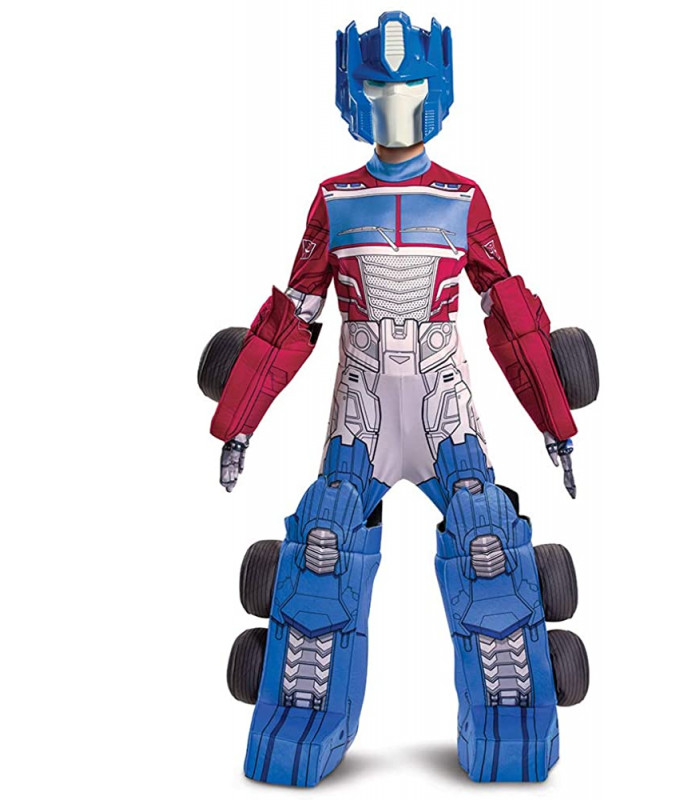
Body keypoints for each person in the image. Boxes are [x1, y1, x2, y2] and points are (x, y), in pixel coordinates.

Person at [201, 11, 594, 786]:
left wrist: (557, 423)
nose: (392, 99)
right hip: (362, 417)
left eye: (407, 84)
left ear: (434, 88)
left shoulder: (464, 198)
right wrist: (238, 422)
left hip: (446, 414)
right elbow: (290, 322)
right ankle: (299, 722)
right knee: (322, 552)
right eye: (377, 87)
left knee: (489, 546)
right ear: (352, 92)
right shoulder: (334, 199)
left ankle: (512, 719)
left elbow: (512, 319)